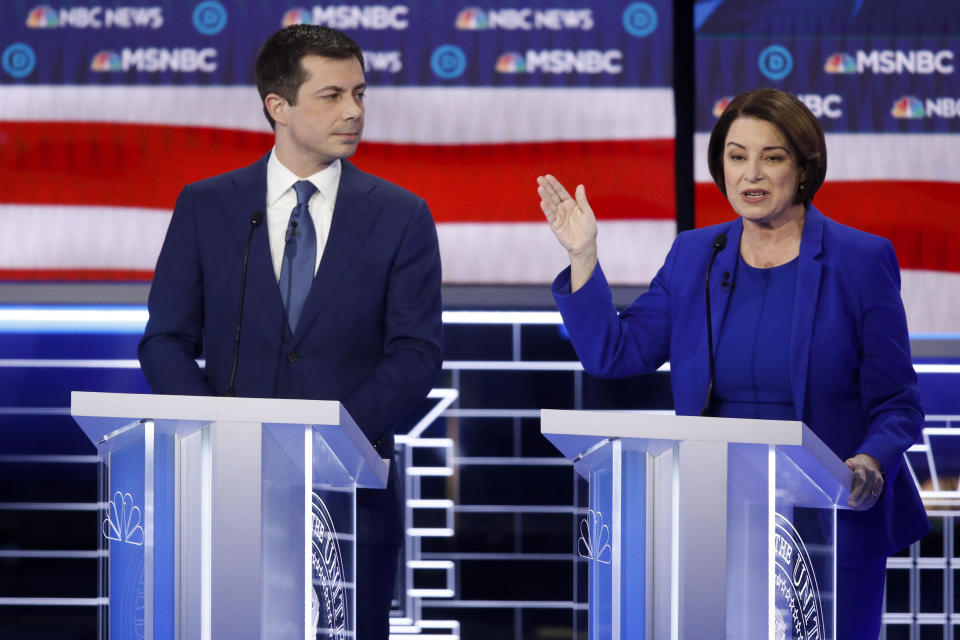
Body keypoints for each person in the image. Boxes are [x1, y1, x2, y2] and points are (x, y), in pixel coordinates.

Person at [538, 88, 929, 638]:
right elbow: (615, 353)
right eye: (737, 156)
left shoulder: (859, 261)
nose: (752, 173)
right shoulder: (696, 254)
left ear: (804, 167)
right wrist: (583, 257)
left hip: (833, 523)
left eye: (772, 157)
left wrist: (867, 463)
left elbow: (898, 404)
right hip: (714, 514)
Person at [138, 25, 443, 640]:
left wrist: (325, 445)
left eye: (359, 93)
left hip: (349, 492)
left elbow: (416, 354)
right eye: (331, 96)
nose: (354, 111)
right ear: (277, 106)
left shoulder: (402, 214)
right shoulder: (207, 206)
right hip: (228, 486)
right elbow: (165, 339)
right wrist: (221, 438)